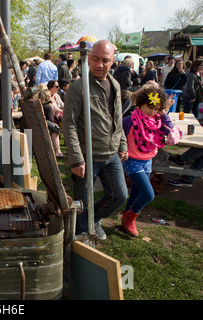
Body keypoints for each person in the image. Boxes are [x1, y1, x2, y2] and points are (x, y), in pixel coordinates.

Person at [62, 40, 128, 240]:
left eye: (105, 60)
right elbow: (69, 123)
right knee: (84, 201)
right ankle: (82, 235)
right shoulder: (78, 87)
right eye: (95, 59)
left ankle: (94, 219)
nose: (100, 65)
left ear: (112, 61)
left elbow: (117, 118)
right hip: (88, 155)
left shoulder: (115, 85)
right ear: (88, 59)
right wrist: (76, 158)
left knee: (119, 195)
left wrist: (122, 144)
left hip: (111, 153)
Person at [121, 85, 174, 236]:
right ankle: (130, 218)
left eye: (156, 108)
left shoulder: (157, 121)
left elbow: (170, 132)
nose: (152, 111)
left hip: (148, 159)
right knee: (148, 194)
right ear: (140, 103)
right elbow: (119, 138)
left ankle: (126, 217)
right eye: (149, 107)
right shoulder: (129, 120)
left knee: (136, 193)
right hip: (132, 161)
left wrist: (163, 114)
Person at [39, 88, 63, 158]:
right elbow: (51, 120)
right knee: (55, 130)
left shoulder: (39, 105)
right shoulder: (48, 107)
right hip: (44, 127)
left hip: (37, 126)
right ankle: (58, 151)